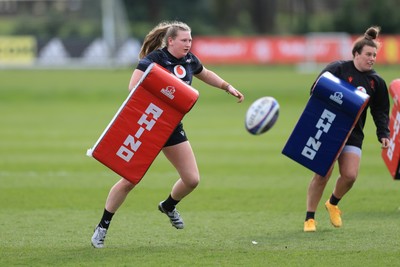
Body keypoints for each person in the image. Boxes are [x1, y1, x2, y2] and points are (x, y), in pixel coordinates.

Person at [91, 21, 244, 248]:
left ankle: (169, 206)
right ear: (170, 41)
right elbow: (133, 87)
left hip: (171, 128)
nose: (188, 44)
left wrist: (227, 86)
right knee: (130, 180)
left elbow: (205, 73)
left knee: (192, 179)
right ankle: (102, 227)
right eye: (184, 40)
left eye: (190, 40)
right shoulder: (153, 61)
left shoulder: (190, 60)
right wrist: (168, 89)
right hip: (148, 124)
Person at [303, 26, 390, 232]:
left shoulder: (376, 82)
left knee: (350, 176)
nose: (372, 58)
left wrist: (383, 133)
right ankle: (309, 218)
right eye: (368, 54)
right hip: (328, 129)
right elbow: (315, 89)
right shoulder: (338, 69)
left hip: (353, 134)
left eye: (375, 55)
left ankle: (333, 203)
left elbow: (380, 111)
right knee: (323, 174)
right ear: (356, 54)